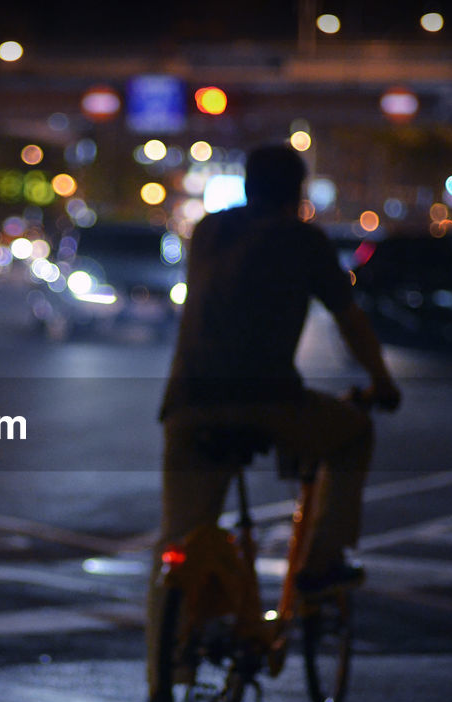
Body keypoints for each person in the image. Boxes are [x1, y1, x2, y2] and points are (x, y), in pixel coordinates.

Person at [152, 142, 401, 650]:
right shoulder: (304, 240)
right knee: (353, 433)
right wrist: (383, 380)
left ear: (246, 187)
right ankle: (321, 564)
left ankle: (163, 691)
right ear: (298, 193)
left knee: (177, 542)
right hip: (267, 402)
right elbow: (349, 320)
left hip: (188, 403)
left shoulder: (207, 231)